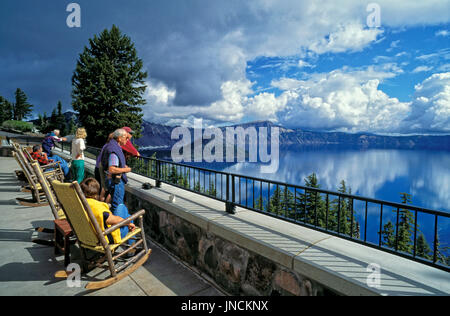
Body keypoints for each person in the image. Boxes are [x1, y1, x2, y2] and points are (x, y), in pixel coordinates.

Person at [80, 178, 135, 244]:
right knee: (122, 207)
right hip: (106, 238)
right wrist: (129, 223)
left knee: (128, 216)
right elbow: (115, 220)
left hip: (89, 236)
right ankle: (131, 247)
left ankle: (132, 247)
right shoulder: (97, 207)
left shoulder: (78, 203)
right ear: (95, 194)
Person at [101, 128, 132, 213]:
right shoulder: (113, 150)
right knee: (117, 206)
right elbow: (112, 169)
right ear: (119, 138)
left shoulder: (111, 146)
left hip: (111, 180)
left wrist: (121, 165)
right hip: (116, 181)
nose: (127, 140)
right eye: (126, 137)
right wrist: (126, 169)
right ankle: (117, 224)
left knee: (115, 204)